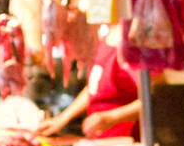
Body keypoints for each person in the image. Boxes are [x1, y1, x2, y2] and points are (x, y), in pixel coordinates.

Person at [38, 23, 166, 139]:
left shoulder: (133, 41)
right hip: (100, 141)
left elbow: (155, 98)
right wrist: (61, 120)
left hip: (125, 141)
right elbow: (93, 88)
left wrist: (111, 117)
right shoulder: (106, 37)